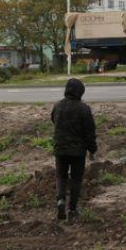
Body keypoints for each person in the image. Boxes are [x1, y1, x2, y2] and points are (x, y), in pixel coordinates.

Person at [51, 78, 98, 222]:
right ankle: (72, 209)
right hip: (78, 151)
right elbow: (90, 131)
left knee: (61, 175)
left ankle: (60, 200)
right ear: (80, 92)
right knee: (76, 179)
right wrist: (92, 149)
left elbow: (53, 119)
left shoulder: (58, 105)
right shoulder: (83, 108)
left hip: (60, 148)